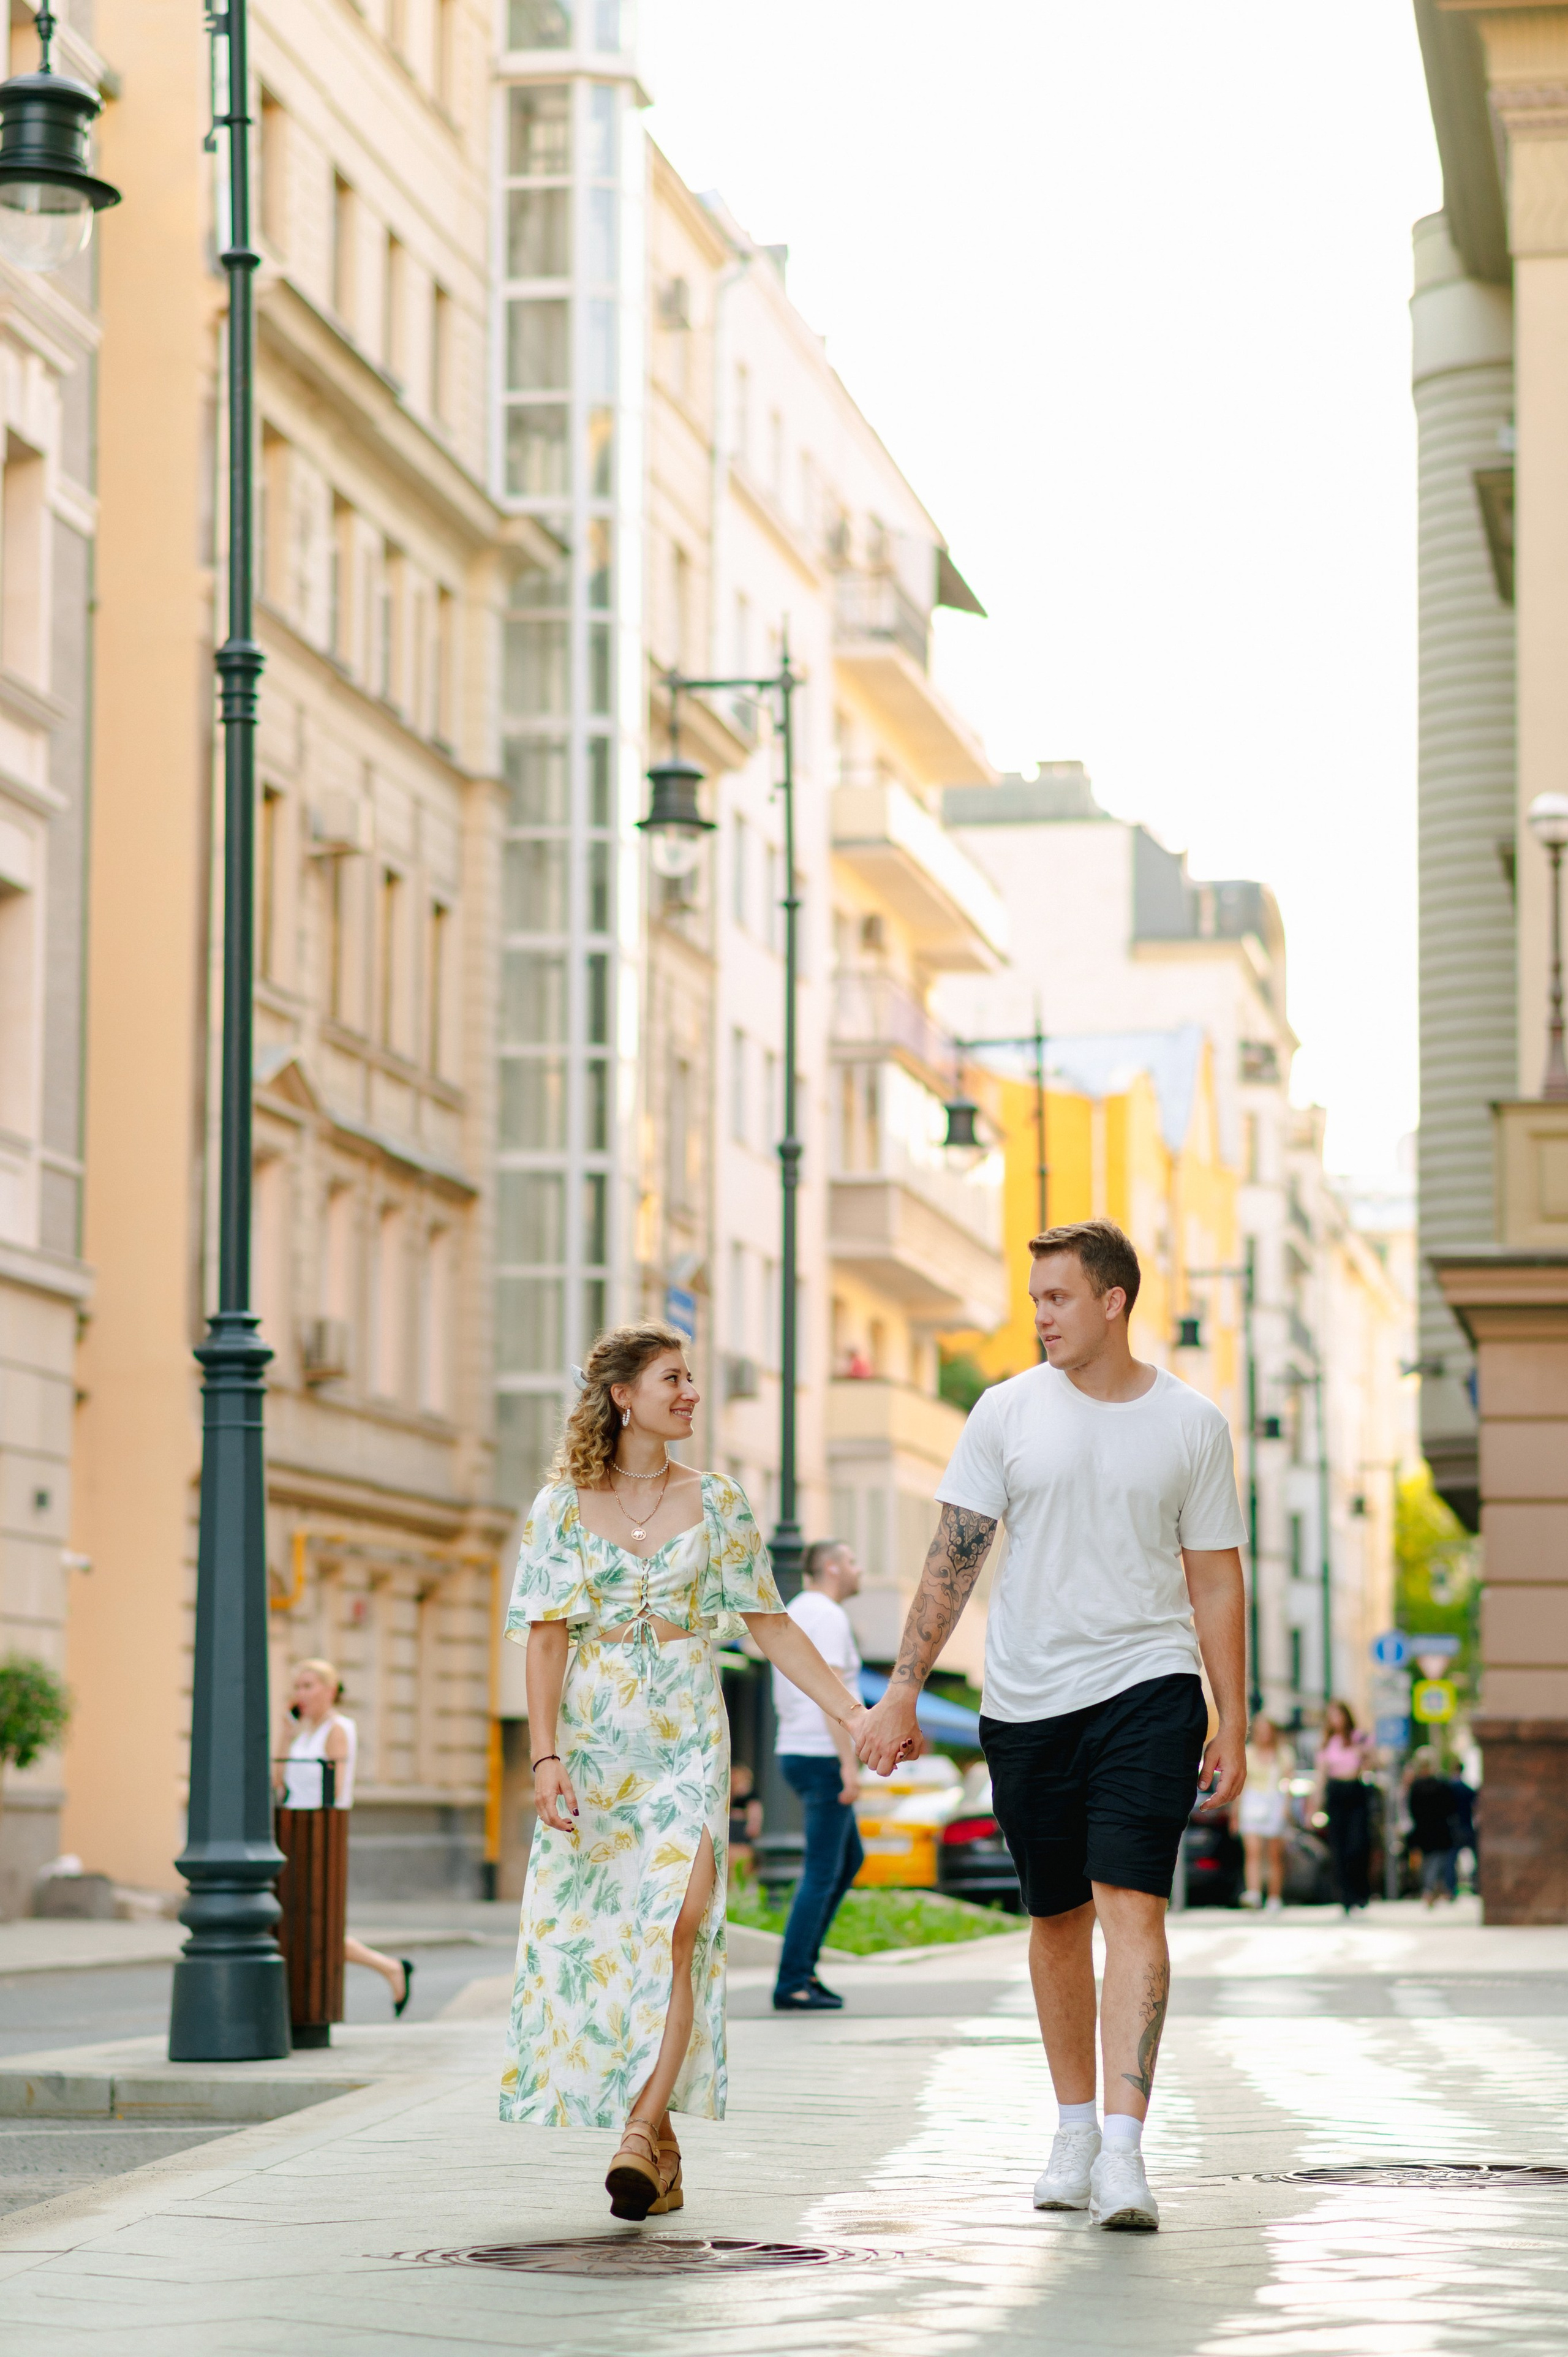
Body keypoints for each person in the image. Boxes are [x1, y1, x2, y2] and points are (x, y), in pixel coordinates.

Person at [856, 1219, 1247, 2235]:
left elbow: (1215, 1577)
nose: (1039, 1318)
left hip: (1148, 1687)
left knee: (1134, 1907)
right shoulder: (1005, 1411)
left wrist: (1232, 1714)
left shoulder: (1193, 1422)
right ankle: (1074, 2122)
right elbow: (955, 1554)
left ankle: (1123, 2148)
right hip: (1025, 1699)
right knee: (1057, 1919)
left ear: (1113, 1300)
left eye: (1058, 1298)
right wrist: (902, 1688)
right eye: (1035, 1300)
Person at [500, 1321, 868, 2223]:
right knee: (614, 1939)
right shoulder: (560, 1508)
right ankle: (658, 2148)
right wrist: (544, 1754)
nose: (691, 1392)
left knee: (681, 1921)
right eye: (674, 1378)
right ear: (624, 1396)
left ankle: (637, 2129)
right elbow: (547, 1636)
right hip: (594, 1733)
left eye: (693, 1377)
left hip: (684, 1732)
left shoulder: (720, 1502)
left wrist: (850, 1714)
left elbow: (770, 1623)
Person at [276, 1659, 415, 2016]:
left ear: (330, 1690)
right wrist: (286, 1734)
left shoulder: (338, 1730)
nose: (301, 1694)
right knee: (301, 1923)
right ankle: (390, 1968)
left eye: (308, 1686)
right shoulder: (304, 1734)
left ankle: (390, 1969)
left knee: (315, 1922)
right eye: (297, 1687)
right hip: (293, 1832)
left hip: (320, 1836)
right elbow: (279, 1784)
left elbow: (332, 1788)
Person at [772, 1539, 867, 2012]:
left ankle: (803, 1969)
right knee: (823, 1870)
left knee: (848, 1860)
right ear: (831, 1568)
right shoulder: (826, 1615)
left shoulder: (799, 1610)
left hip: (799, 1748)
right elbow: (828, 1689)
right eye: (852, 1561)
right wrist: (849, 1764)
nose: (859, 1569)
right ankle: (792, 1979)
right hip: (821, 1754)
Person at [1314, 1699, 1373, 1913]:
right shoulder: (1327, 1742)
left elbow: (1372, 1763)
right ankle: (1346, 1896)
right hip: (1336, 1793)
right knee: (1338, 1846)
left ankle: (1361, 1889)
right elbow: (1321, 1774)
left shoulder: (1358, 1738)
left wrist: (1365, 1752)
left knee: (1358, 1845)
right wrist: (1316, 1802)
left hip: (1356, 1791)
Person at [1235, 1713, 1289, 1912]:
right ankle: (1254, 1892)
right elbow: (1242, 1785)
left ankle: (1274, 1896)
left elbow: (1287, 1783)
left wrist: (1286, 1807)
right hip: (1252, 1803)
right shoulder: (1248, 1753)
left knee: (1274, 1854)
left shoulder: (1283, 1754)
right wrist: (1236, 1813)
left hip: (1274, 1802)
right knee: (1253, 1851)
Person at [1404, 1748, 1458, 1906]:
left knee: (1428, 1860)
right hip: (1440, 1829)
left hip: (1424, 1830)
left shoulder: (1416, 1787)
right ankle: (1431, 1888)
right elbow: (1451, 1807)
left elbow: (1412, 1809)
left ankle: (1432, 1888)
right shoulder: (1441, 1784)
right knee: (1438, 1860)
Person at [727, 1763, 763, 1880]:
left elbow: (755, 1813)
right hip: (730, 1839)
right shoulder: (728, 1794)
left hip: (741, 1839)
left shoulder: (749, 1796)